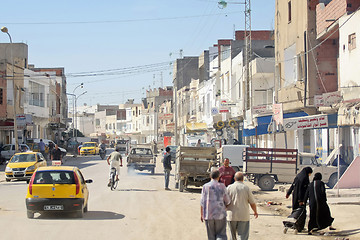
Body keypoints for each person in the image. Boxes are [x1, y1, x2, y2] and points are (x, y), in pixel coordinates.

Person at [226, 172, 258, 240]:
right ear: (243, 179)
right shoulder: (246, 188)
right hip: (244, 216)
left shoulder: (229, 188)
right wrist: (255, 212)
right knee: (243, 236)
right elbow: (252, 203)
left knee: (232, 237)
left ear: (234, 179)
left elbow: (224, 202)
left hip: (232, 215)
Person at [200, 169, 231, 240]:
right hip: (220, 215)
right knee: (221, 234)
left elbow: (202, 202)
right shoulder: (222, 186)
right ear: (219, 176)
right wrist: (225, 207)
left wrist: (202, 214)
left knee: (210, 236)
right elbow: (228, 201)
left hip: (208, 215)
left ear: (210, 176)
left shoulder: (205, 186)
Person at [286, 166, 313, 232]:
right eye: (310, 173)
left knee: (295, 211)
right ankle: (299, 227)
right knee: (301, 212)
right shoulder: (304, 178)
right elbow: (301, 189)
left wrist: (288, 193)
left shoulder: (298, 176)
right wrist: (301, 200)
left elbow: (293, 185)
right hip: (300, 197)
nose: (310, 175)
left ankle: (293, 224)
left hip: (295, 196)